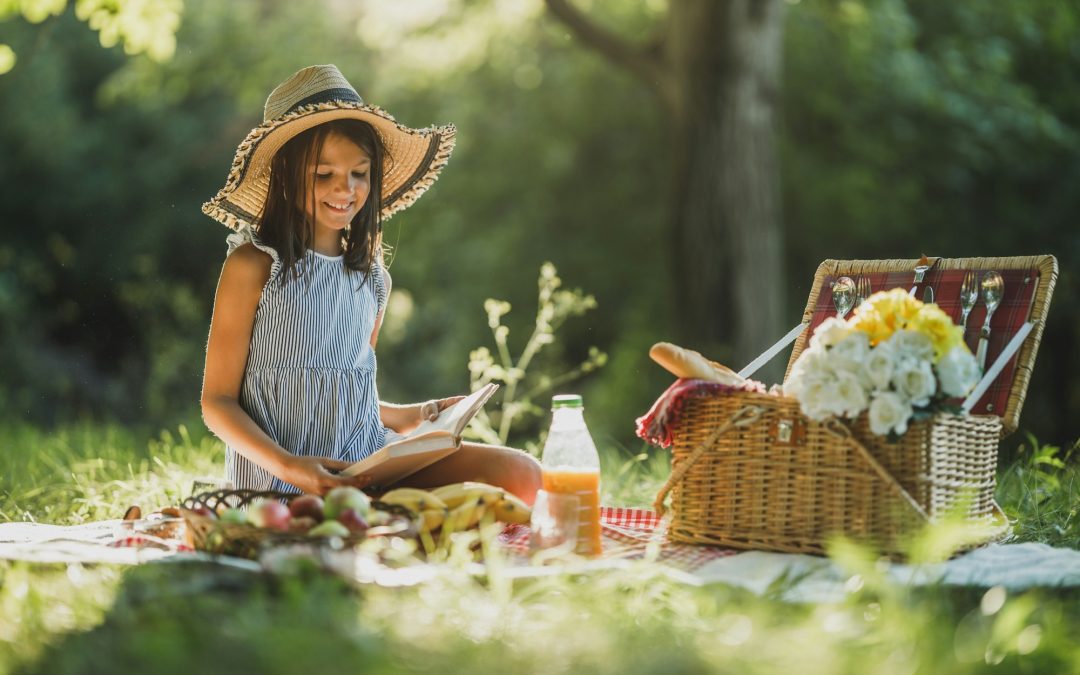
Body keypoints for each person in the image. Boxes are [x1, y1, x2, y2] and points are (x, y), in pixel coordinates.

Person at [200, 64, 541, 503]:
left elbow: (344, 392)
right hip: (284, 483)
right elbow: (218, 403)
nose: (346, 189)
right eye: (324, 175)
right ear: (285, 176)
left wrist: (418, 416)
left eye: (359, 173)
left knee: (522, 473)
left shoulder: (373, 278)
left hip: (368, 463)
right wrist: (293, 467)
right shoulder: (254, 266)